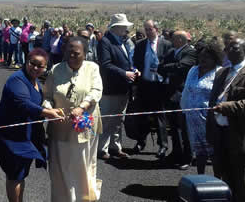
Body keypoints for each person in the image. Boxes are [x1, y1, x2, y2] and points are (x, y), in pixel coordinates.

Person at [0, 48, 62, 202]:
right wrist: (48, 112)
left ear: (45, 67)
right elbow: (23, 103)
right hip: (8, 138)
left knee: (21, 174)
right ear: (27, 61)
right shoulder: (17, 80)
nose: (35, 68)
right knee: (14, 176)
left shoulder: (36, 82)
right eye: (33, 63)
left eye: (40, 66)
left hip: (24, 136)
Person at [43, 37, 103, 202]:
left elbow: (97, 91)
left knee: (82, 167)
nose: (71, 56)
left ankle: (85, 198)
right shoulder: (56, 69)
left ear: (85, 54)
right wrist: (49, 109)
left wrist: (82, 107)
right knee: (61, 169)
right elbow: (47, 95)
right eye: (68, 52)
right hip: (60, 129)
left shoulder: (92, 68)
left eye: (76, 53)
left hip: (84, 129)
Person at [206, 38, 245, 202]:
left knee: (240, 181)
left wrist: (227, 107)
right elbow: (213, 101)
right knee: (220, 178)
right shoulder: (221, 73)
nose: (230, 51)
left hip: (239, 136)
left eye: (235, 48)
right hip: (219, 133)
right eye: (228, 48)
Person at [129, 20, 173, 158]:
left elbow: (170, 64)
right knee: (142, 115)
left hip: (159, 86)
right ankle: (141, 142)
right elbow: (135, 63)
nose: (147, 32)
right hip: (144, 84)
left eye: (150, 29)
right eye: (146, 29)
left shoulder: (166, 45)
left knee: (160, 116)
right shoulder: (140, 45)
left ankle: (163, 145)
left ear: (156, 29)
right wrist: (136, 72)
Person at [97, 13, 137, 160]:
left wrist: (132, 70)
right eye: (124, 27)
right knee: (108, 119)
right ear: (116, 28)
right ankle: (102, 148)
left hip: (122, 87)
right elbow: (106, 64)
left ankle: (115, 147)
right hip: (111, 88)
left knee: (119, 120)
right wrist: (124, 73)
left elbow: (124, 62)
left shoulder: (121, 41)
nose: (126, 30)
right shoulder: (105, 42)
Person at [180, 40, 224, 174]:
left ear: (215, 58)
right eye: (201, 56)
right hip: (192, 120)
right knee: (199, 152)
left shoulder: (220, 72)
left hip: (210, 121)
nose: (203, 59)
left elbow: (222, 97)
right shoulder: (193, 70)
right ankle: (201, 177)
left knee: (214, 153)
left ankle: (218, 181)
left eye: (207, 57)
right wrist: (183, 111)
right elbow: (186, 91)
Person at [158, 30, 197, 169]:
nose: (170, 41)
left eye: (173, 38)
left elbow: (182, 67)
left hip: (182, 92)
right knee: (173, 126)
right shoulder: (171, 52)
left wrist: (167, 67)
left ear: (180, 39)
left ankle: (187, 156)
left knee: (183, 127)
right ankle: (176, 153)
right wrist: (168, 67)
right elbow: (160, 67)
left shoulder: (190, 52)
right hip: (170, 92)